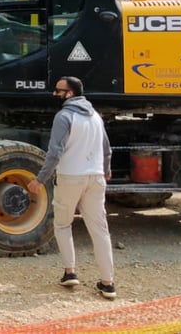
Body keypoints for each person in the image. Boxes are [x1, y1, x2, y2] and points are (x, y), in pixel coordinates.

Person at [27, 76, 116, 299]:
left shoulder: (64, 116)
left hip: (70, 176)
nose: (55, 94)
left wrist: (40, 179)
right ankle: (108, 283)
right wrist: (105, 168)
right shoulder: (96, 115)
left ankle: (70, 272)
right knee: (100, 229)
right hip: (95, 177)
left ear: (70, 93)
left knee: (63, 224)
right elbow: (106, 148)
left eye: (58, 90)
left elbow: (55, 152)